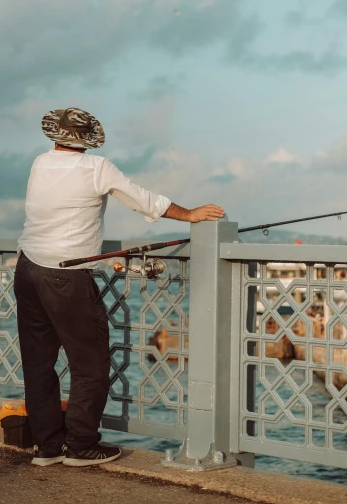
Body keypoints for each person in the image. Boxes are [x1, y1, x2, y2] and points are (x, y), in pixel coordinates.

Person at [14, 107, 225, 468]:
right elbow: (141, 198)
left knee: (38, 364)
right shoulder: (97, 168)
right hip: (67, 275)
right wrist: (189, 215)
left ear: (55, 136)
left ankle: (47, 447)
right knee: (91, 365)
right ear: (87, 139)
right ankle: (81, 444)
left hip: (28, 268)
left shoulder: (39, 163)